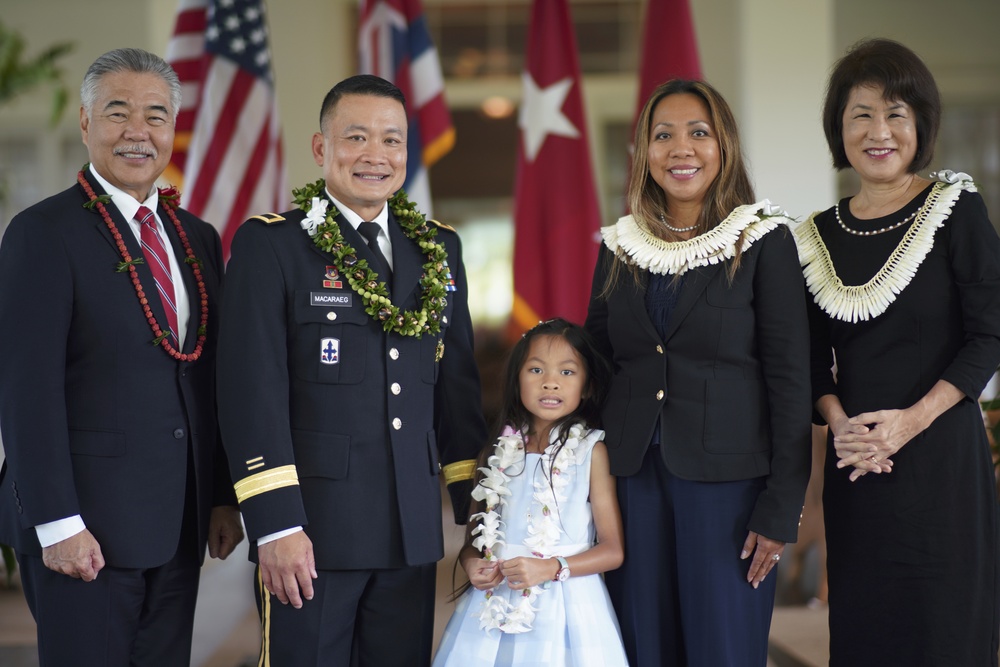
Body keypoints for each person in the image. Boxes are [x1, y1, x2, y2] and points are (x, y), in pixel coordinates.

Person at [217, 74, 486, 666]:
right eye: (356, 137)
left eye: (392, 140)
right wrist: (276, 525)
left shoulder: (438, 249)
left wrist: (476, 514)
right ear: (321, 148)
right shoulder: (274, 246)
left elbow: (457, 392)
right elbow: (250, 393)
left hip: (411, 533)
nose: (375, 155)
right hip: (312, 535)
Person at [0, 48, 243, 666]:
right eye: (118, 113)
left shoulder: (197, 238)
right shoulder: (41, 233)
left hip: (178, 525)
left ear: (172, 131)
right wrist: (57, 524)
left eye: (156, 115)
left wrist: (218, 495)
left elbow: (209, 377)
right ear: (86, 124)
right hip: (86, 530)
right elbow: (27, 392)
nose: (138, 131)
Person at [585, 79, 812, 666]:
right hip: (632, 483)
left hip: (730, 491)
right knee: (641, 647)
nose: (680, 148)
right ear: (643, 152)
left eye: (698, 133)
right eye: (663, 136)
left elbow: (790, 382)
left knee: (723, 650)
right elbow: (597, 365)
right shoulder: (620, 245)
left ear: (724, 145)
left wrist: (782, 507)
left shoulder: (763, 241)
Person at [790, 38, 1000, 665]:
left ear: (920, 126)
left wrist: (909, 422)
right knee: (865, 630)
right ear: (839, 128)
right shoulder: (815, 236)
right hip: (858, 467)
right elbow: (805, 361)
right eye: (862, 114)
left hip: (941, 460)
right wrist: (840, 425)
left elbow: (989, 334)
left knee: (944, 631)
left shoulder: (956, 210)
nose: (880, 131)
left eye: (897, 114)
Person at [434, 318, 628, 666]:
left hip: (567, 604)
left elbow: (613, 551)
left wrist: (551, 567)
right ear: (517, 380)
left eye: (567, 373)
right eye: (536, 370)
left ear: (587, 386)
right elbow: (473, 544)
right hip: (494, 603)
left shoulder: (590, 452)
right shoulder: (495, 452)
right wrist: (472, 564)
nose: (550, 383)